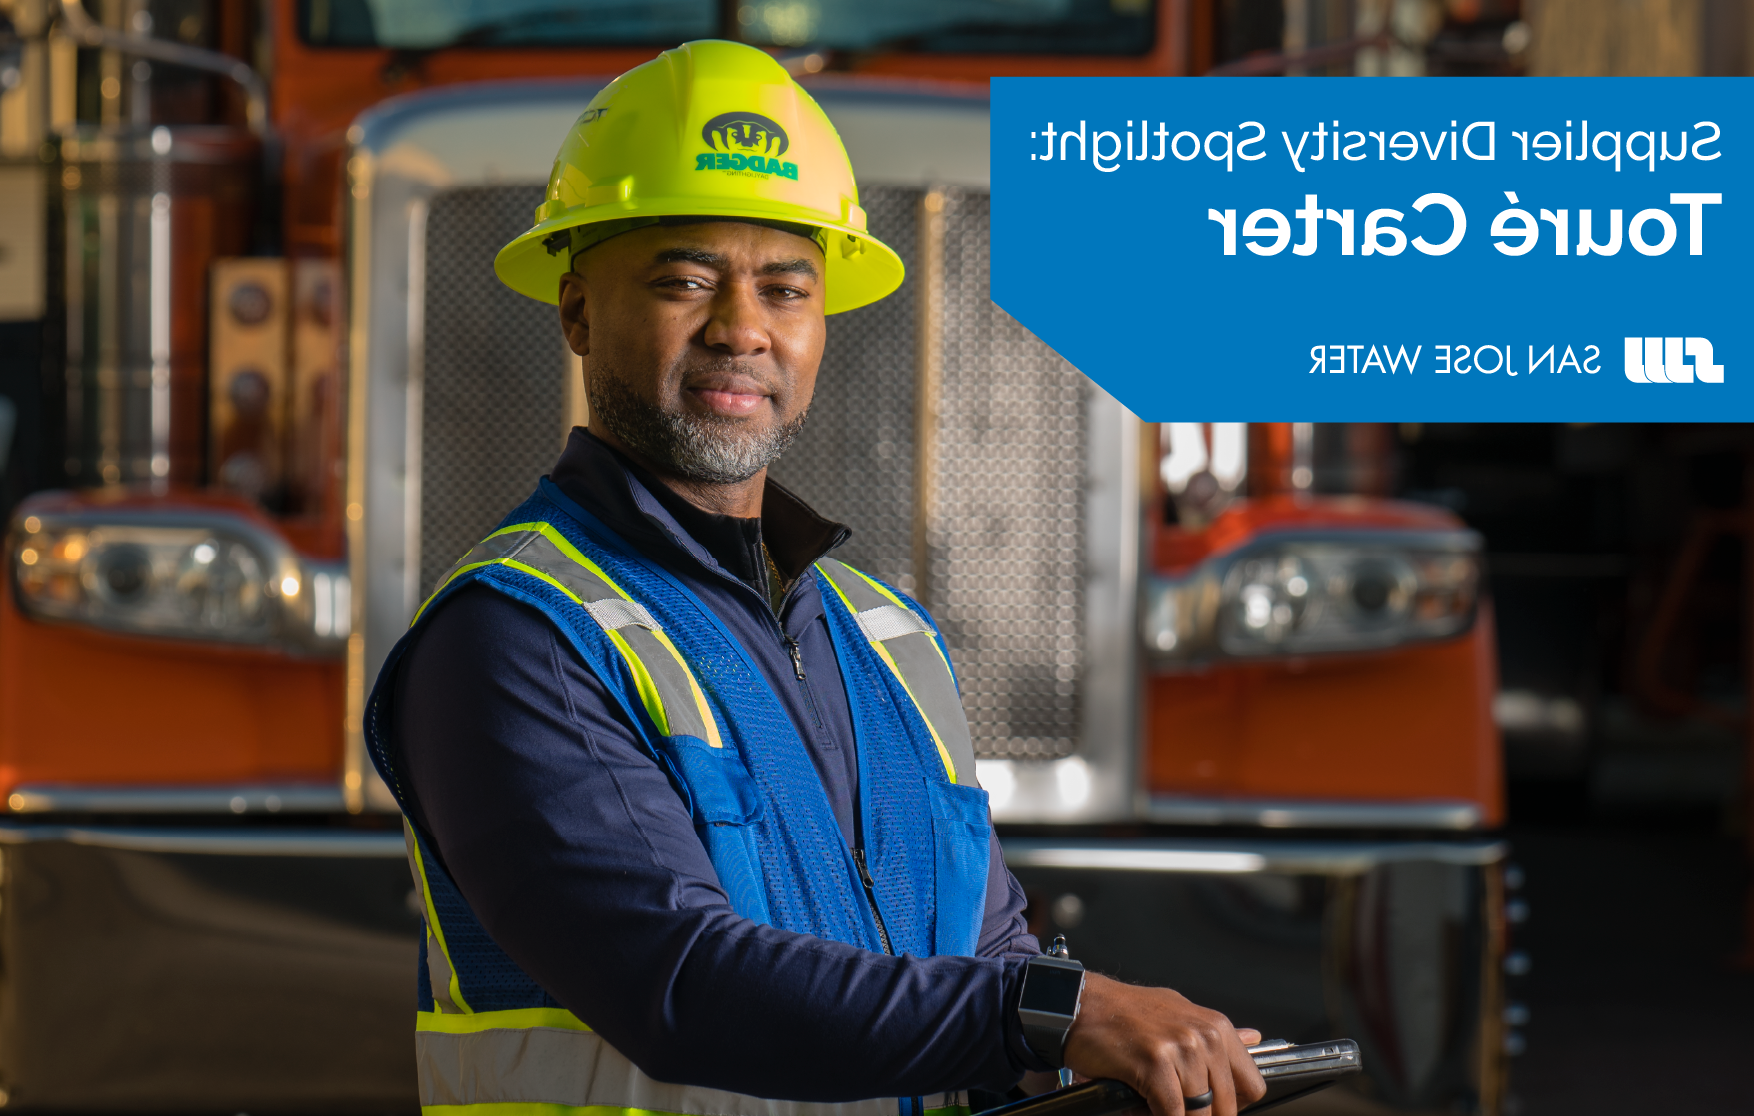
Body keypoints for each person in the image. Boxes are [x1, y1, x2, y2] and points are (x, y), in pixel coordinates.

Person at [363, 39, 1264, 1116]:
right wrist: (1051, 1014)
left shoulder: (886, 639)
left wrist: (1111, 1057)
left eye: (785, 288)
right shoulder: (519, 639)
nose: (742, 328)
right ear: (576, 314)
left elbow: (982, 956)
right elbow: (677, 983)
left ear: (821, 327)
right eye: (685, 280)